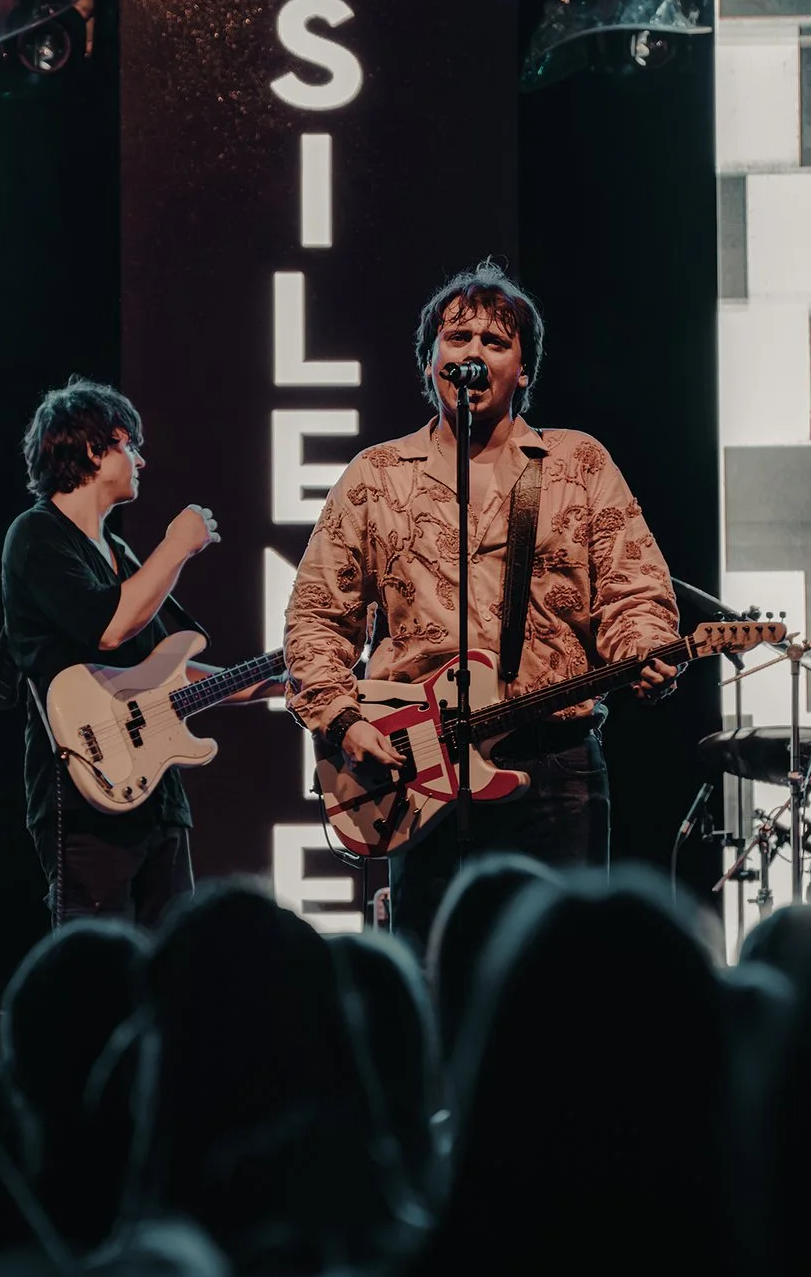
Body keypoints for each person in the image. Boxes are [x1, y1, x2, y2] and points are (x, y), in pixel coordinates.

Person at [284, 262, 680, 941]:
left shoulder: (574, 464)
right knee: (436, 972)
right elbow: (318, 614)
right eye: (458, 337)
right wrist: (344, 721)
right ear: (431, 359)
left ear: (523, 370)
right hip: (421, 768)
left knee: (560, 975)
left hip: (555, 762)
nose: (473, 352)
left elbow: (635, 589)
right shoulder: (377, 477)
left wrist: (640, 646)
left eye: (496, 342)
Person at [0, 377, 252, 926]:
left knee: (174, 971)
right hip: (84, 797)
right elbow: (107, 628)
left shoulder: (119, 552)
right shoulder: (37, 536)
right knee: (98, 981)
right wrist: (178, 545)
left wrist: (274, 680)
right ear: (93, 450)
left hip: (155, 795)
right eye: (127, 444)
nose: (139, 459)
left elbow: (164, 670)